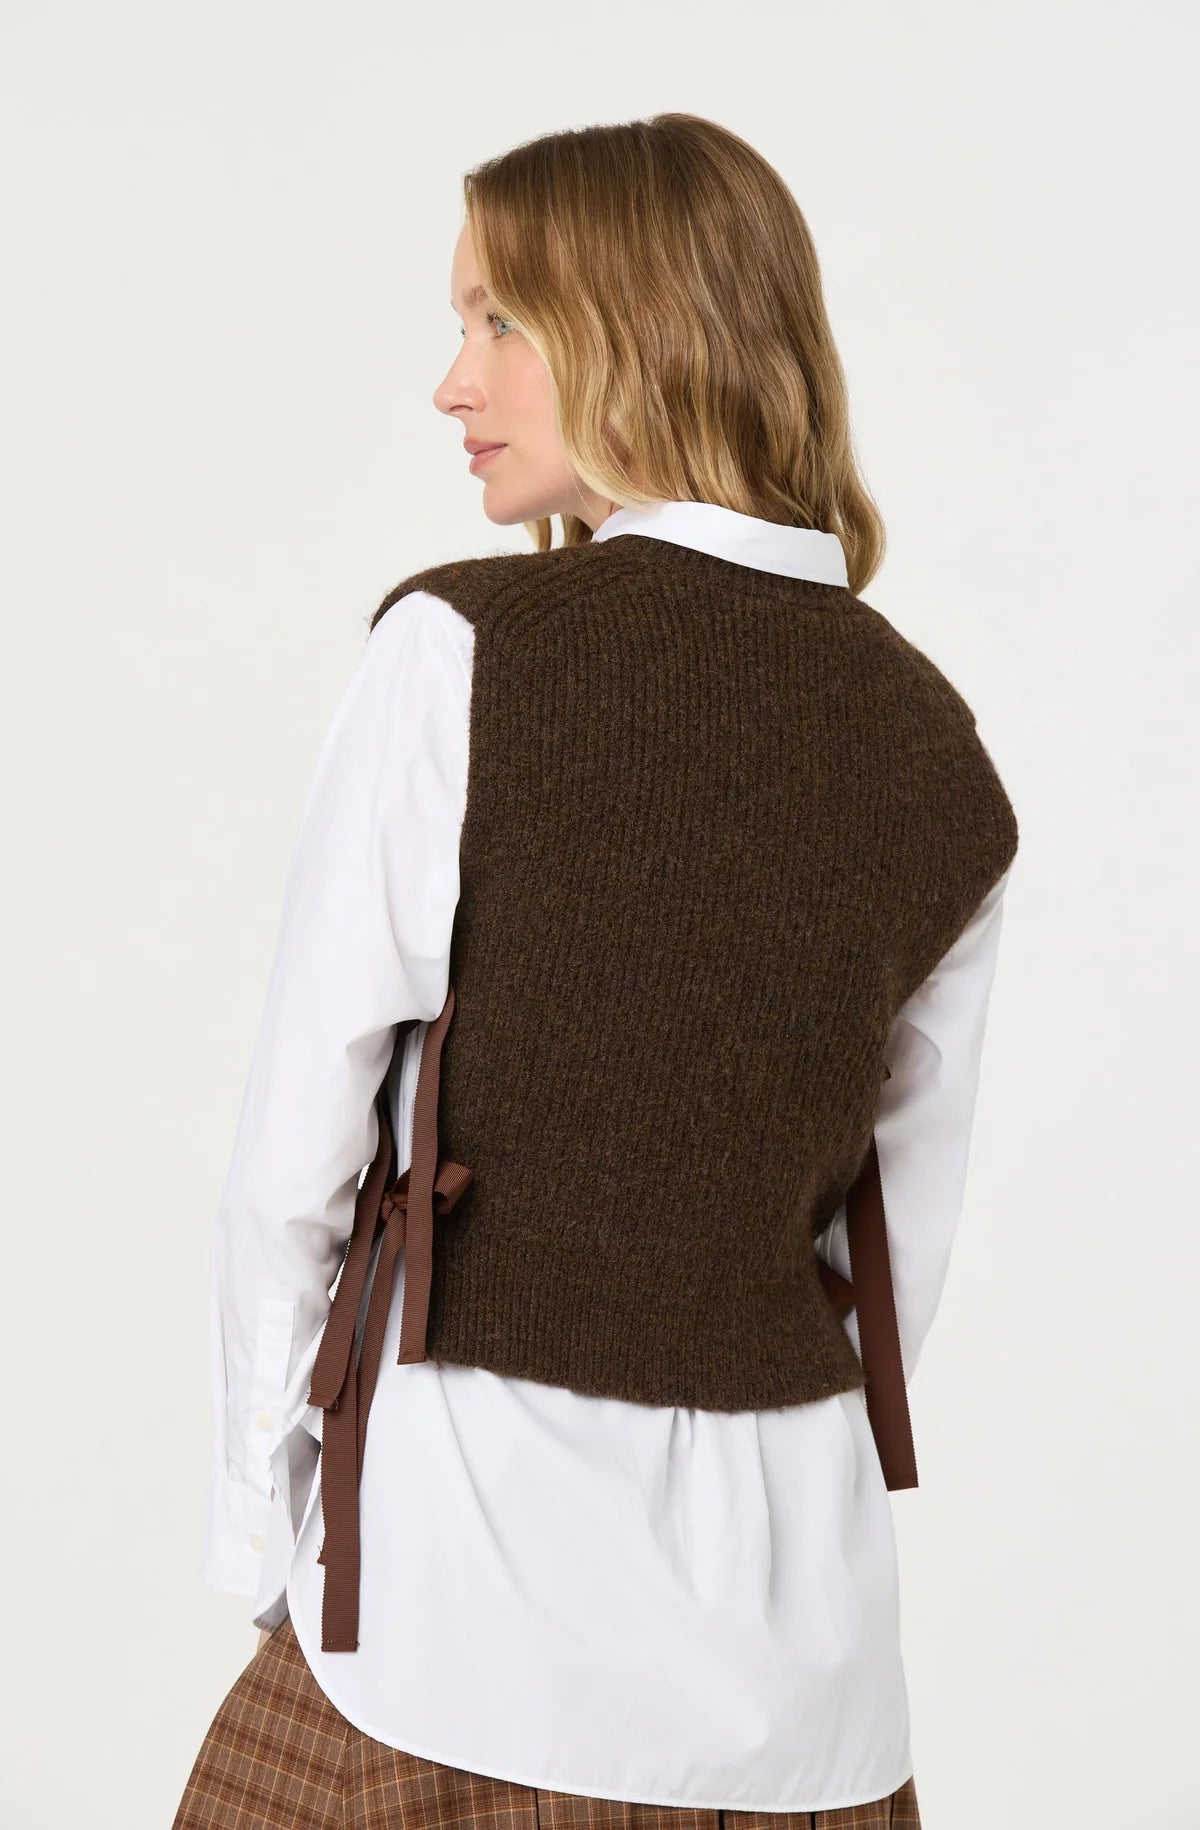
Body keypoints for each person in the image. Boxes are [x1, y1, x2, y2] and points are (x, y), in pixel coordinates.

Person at [172, 111, 1017, 1830]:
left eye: (500, 320)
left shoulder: (462, 655)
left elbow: (291, 1169)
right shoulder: (944, 755)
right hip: (805, 1695)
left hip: (458, 1628)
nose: (453, 381)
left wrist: (265, 1531)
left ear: (643, 327)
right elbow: (884, 1277)